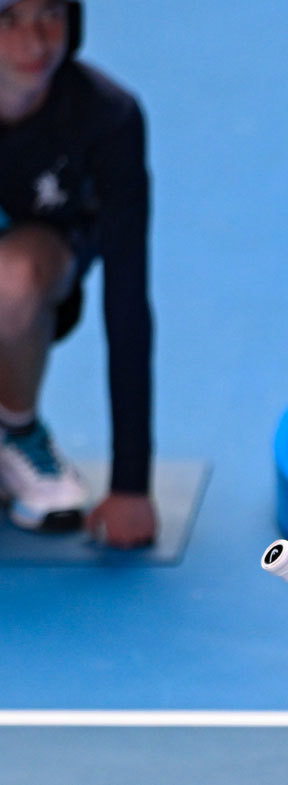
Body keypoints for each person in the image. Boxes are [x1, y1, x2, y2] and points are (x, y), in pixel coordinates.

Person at [0, 0, 156, 547]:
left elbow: (128, 295)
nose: (35, 40)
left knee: (12, 278)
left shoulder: (107, 117)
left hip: (37, 285)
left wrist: (131, 484)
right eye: (6, 17)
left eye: (50, 13)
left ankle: (15, 433)